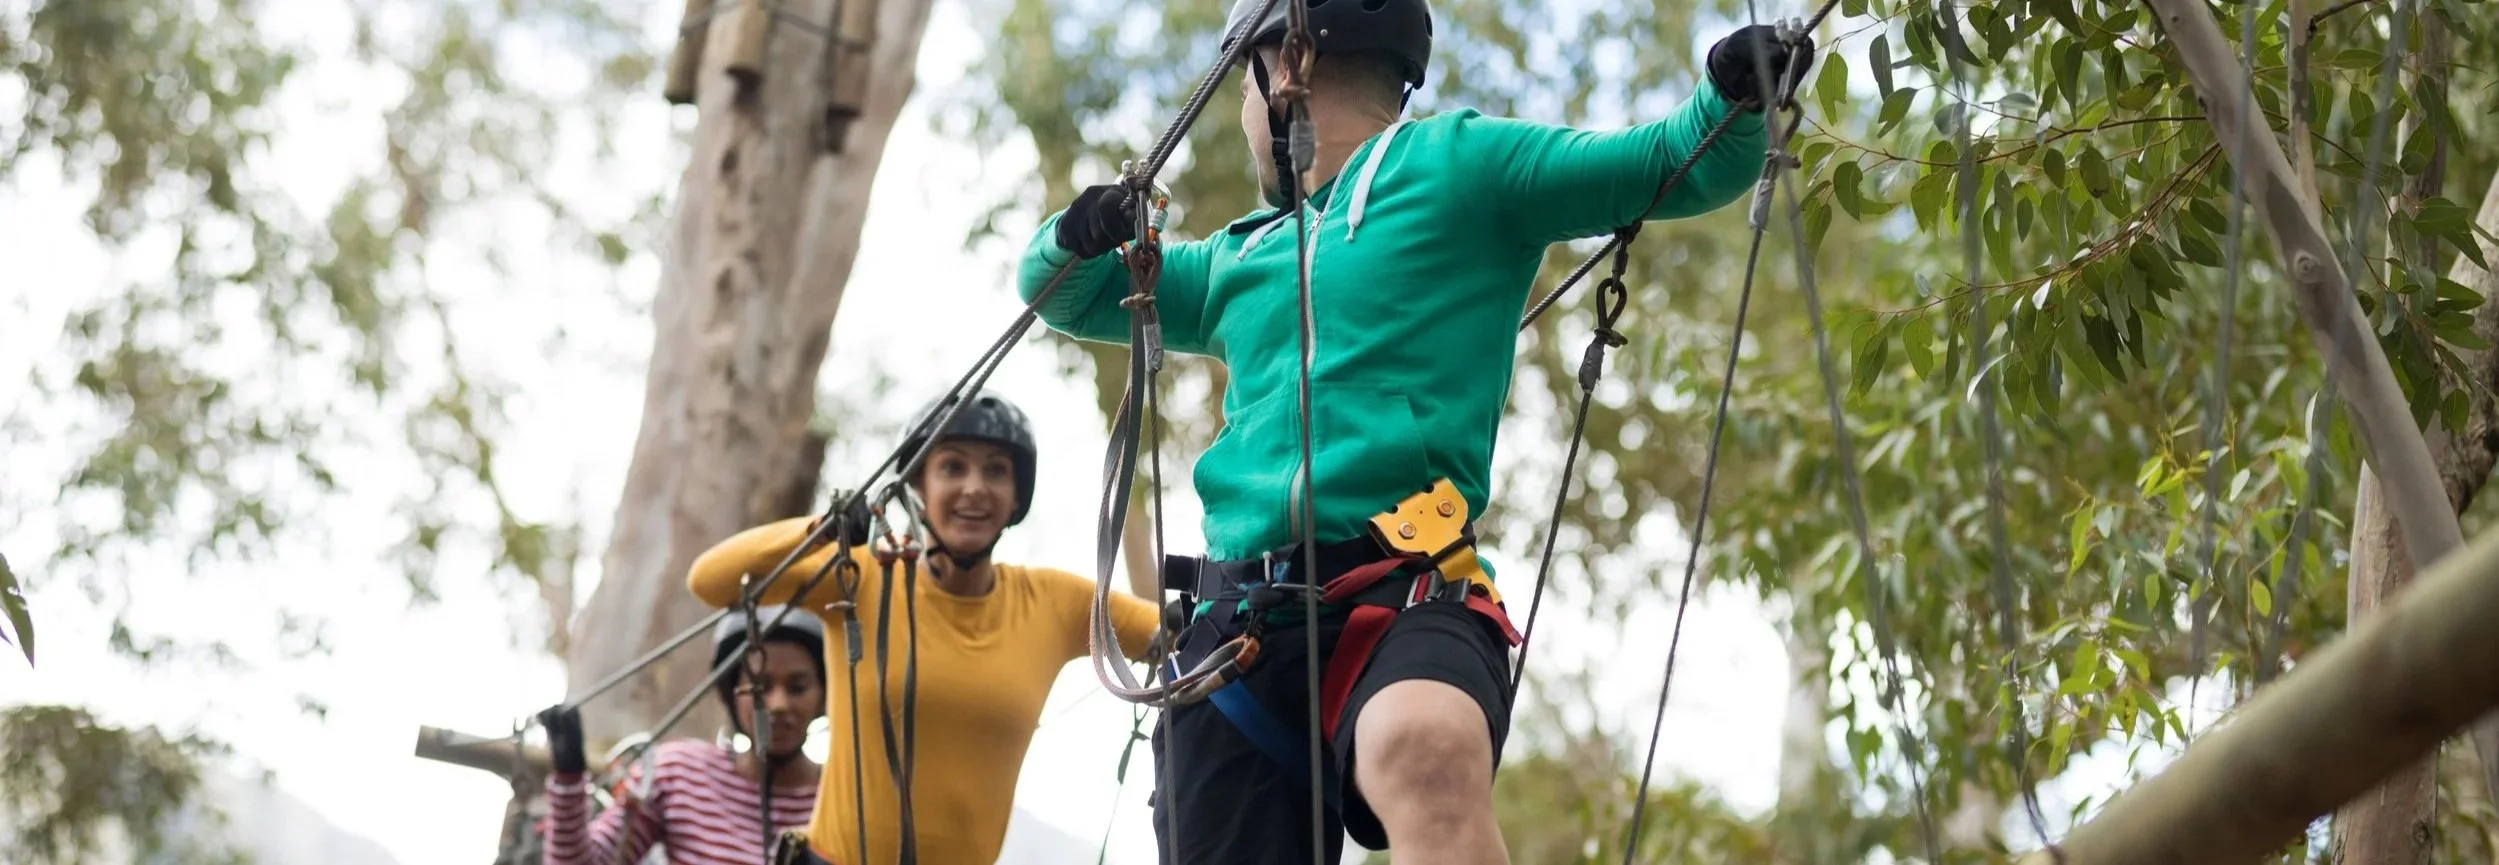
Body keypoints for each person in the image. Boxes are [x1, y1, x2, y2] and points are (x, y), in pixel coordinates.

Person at [1014, 0, 1816, 862]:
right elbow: (1062, 290)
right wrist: (1081, 230)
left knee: (1420, 743)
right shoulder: (1235, 257)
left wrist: (1733, 92)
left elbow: (1667, 161)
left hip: (1399, 586)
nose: (1241, 116)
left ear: (1283, 67)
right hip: (1235, 627)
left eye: (1238, 90)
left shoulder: (1458, 164)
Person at [685, 389, 1166, 865]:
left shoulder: (1057, 603)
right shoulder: (860, 575)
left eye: (996, 471)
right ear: (917, 486)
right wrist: (821, 531)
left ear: (1018, 496)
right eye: (953, 467)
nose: (975, 487)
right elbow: (710, 580)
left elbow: (1172, 633)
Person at [537, 608, 826, 864]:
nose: (778, 705)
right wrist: (569, 779)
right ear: (731, 693)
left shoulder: (842, 796)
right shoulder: (678, 773)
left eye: (798, 688)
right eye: (760, 687)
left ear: (825, 696)